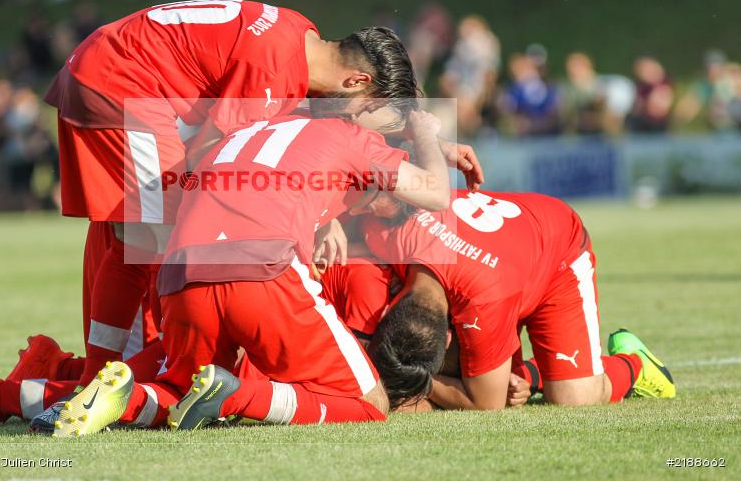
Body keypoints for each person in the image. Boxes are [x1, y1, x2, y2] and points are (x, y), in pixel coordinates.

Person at [42, 0, 425, 399]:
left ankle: (115, 375)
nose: (353, 120)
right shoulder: (273, 69)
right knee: (149, 242)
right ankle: (101, 381)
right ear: (357, 82)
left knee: (144, 238)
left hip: (109, 67)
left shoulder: (299, 32)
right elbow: (211, 154)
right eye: (365, 109)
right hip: (122, 81)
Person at [49, 109, 483, 436]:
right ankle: (236, 396)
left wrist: (323, 215)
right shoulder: (350, 138)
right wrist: (426, 130)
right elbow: (436, 193)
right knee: (369, 404)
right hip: (262, 271)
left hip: (182, 275)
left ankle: (123, 399)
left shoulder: (259, 123)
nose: (363, 209)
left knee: (182, 394)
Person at [358, 189, 676, 410]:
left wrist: (412, 377)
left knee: (575, 398)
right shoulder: (383, 230)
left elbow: (485, 404)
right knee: (490, 373)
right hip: (504, 252)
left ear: (449, 333)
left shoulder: (483, 301)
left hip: (557, 251)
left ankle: (636, 365)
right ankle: (528, 376)